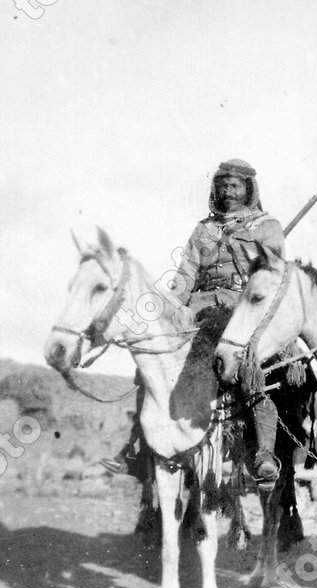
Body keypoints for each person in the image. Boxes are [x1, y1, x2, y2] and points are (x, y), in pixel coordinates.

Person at [101, 159, 288, 485]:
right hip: (200, 310)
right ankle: (137, 446)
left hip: (242, 311)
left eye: (236, 186)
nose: (228, 192)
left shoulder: (267, 226)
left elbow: (271, 277)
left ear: (249, 190)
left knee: (248, 370)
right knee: (152, 362)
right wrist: (174, 306)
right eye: (223, 185)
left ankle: (264, 455)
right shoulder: (204, 229)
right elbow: (185, 276)